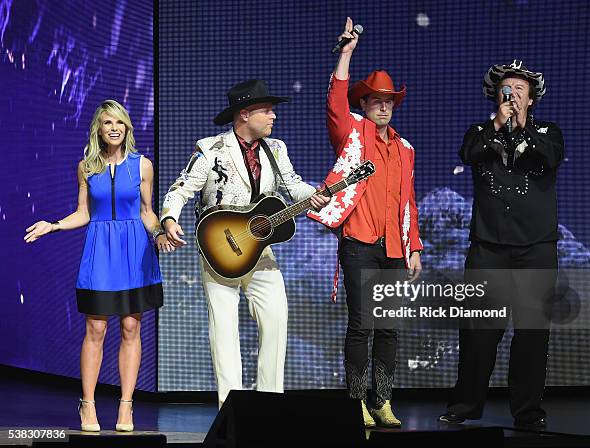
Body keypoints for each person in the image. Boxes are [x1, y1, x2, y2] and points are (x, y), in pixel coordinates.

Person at [161, 79, 330, 408]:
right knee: (224, 329)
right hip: (219, 248)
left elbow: (292, 186)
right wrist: (169, 218)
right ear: (244, 114)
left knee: (276, 318)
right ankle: (232, 409)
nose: (273, 117)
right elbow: (180, 189)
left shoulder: (276, 149)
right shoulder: (211, 149)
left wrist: (316, 195)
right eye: (267, 111)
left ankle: (269, 406)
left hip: (260, 250)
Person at [24, 100, 171, 432]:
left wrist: (160, 232)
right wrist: (55, 225)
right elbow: (84, 212)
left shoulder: (142, 165)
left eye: (120, 122)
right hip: (100, 253)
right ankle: (87, 404)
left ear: (127, 127)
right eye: (107, 123)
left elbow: (147, 212)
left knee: (131, 329)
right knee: (96, 329)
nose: (114, 128)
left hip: (135, 254)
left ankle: (126, 406)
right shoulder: (86, 167)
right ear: (99, 129)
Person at [308, 17, 423, 428]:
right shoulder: (353, 132)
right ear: (365, 104)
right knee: (362, 325)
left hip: (394, 247)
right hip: (359, 243)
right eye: (376, 99)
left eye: (389, 100)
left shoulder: (405, 148)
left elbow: (407, 200)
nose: (383, 104)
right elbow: (335, 100)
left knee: (389, 328)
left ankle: (384, 400)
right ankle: (356, 400)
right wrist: (347, 52)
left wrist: (414, 248)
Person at [439, 60, 564, 428]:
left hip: (536, 249)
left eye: (519, 90)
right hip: (488, 248)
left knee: (531, 333)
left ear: (532, 99)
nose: (512, 95)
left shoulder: (548, 131)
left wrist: (524, 127)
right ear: (496, 97)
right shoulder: (480, 131)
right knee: (478, 332)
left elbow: (551, 157)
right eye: (506, 91)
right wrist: (498, 124)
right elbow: (468, 154)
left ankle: (527, 412)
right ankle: (465, 405)